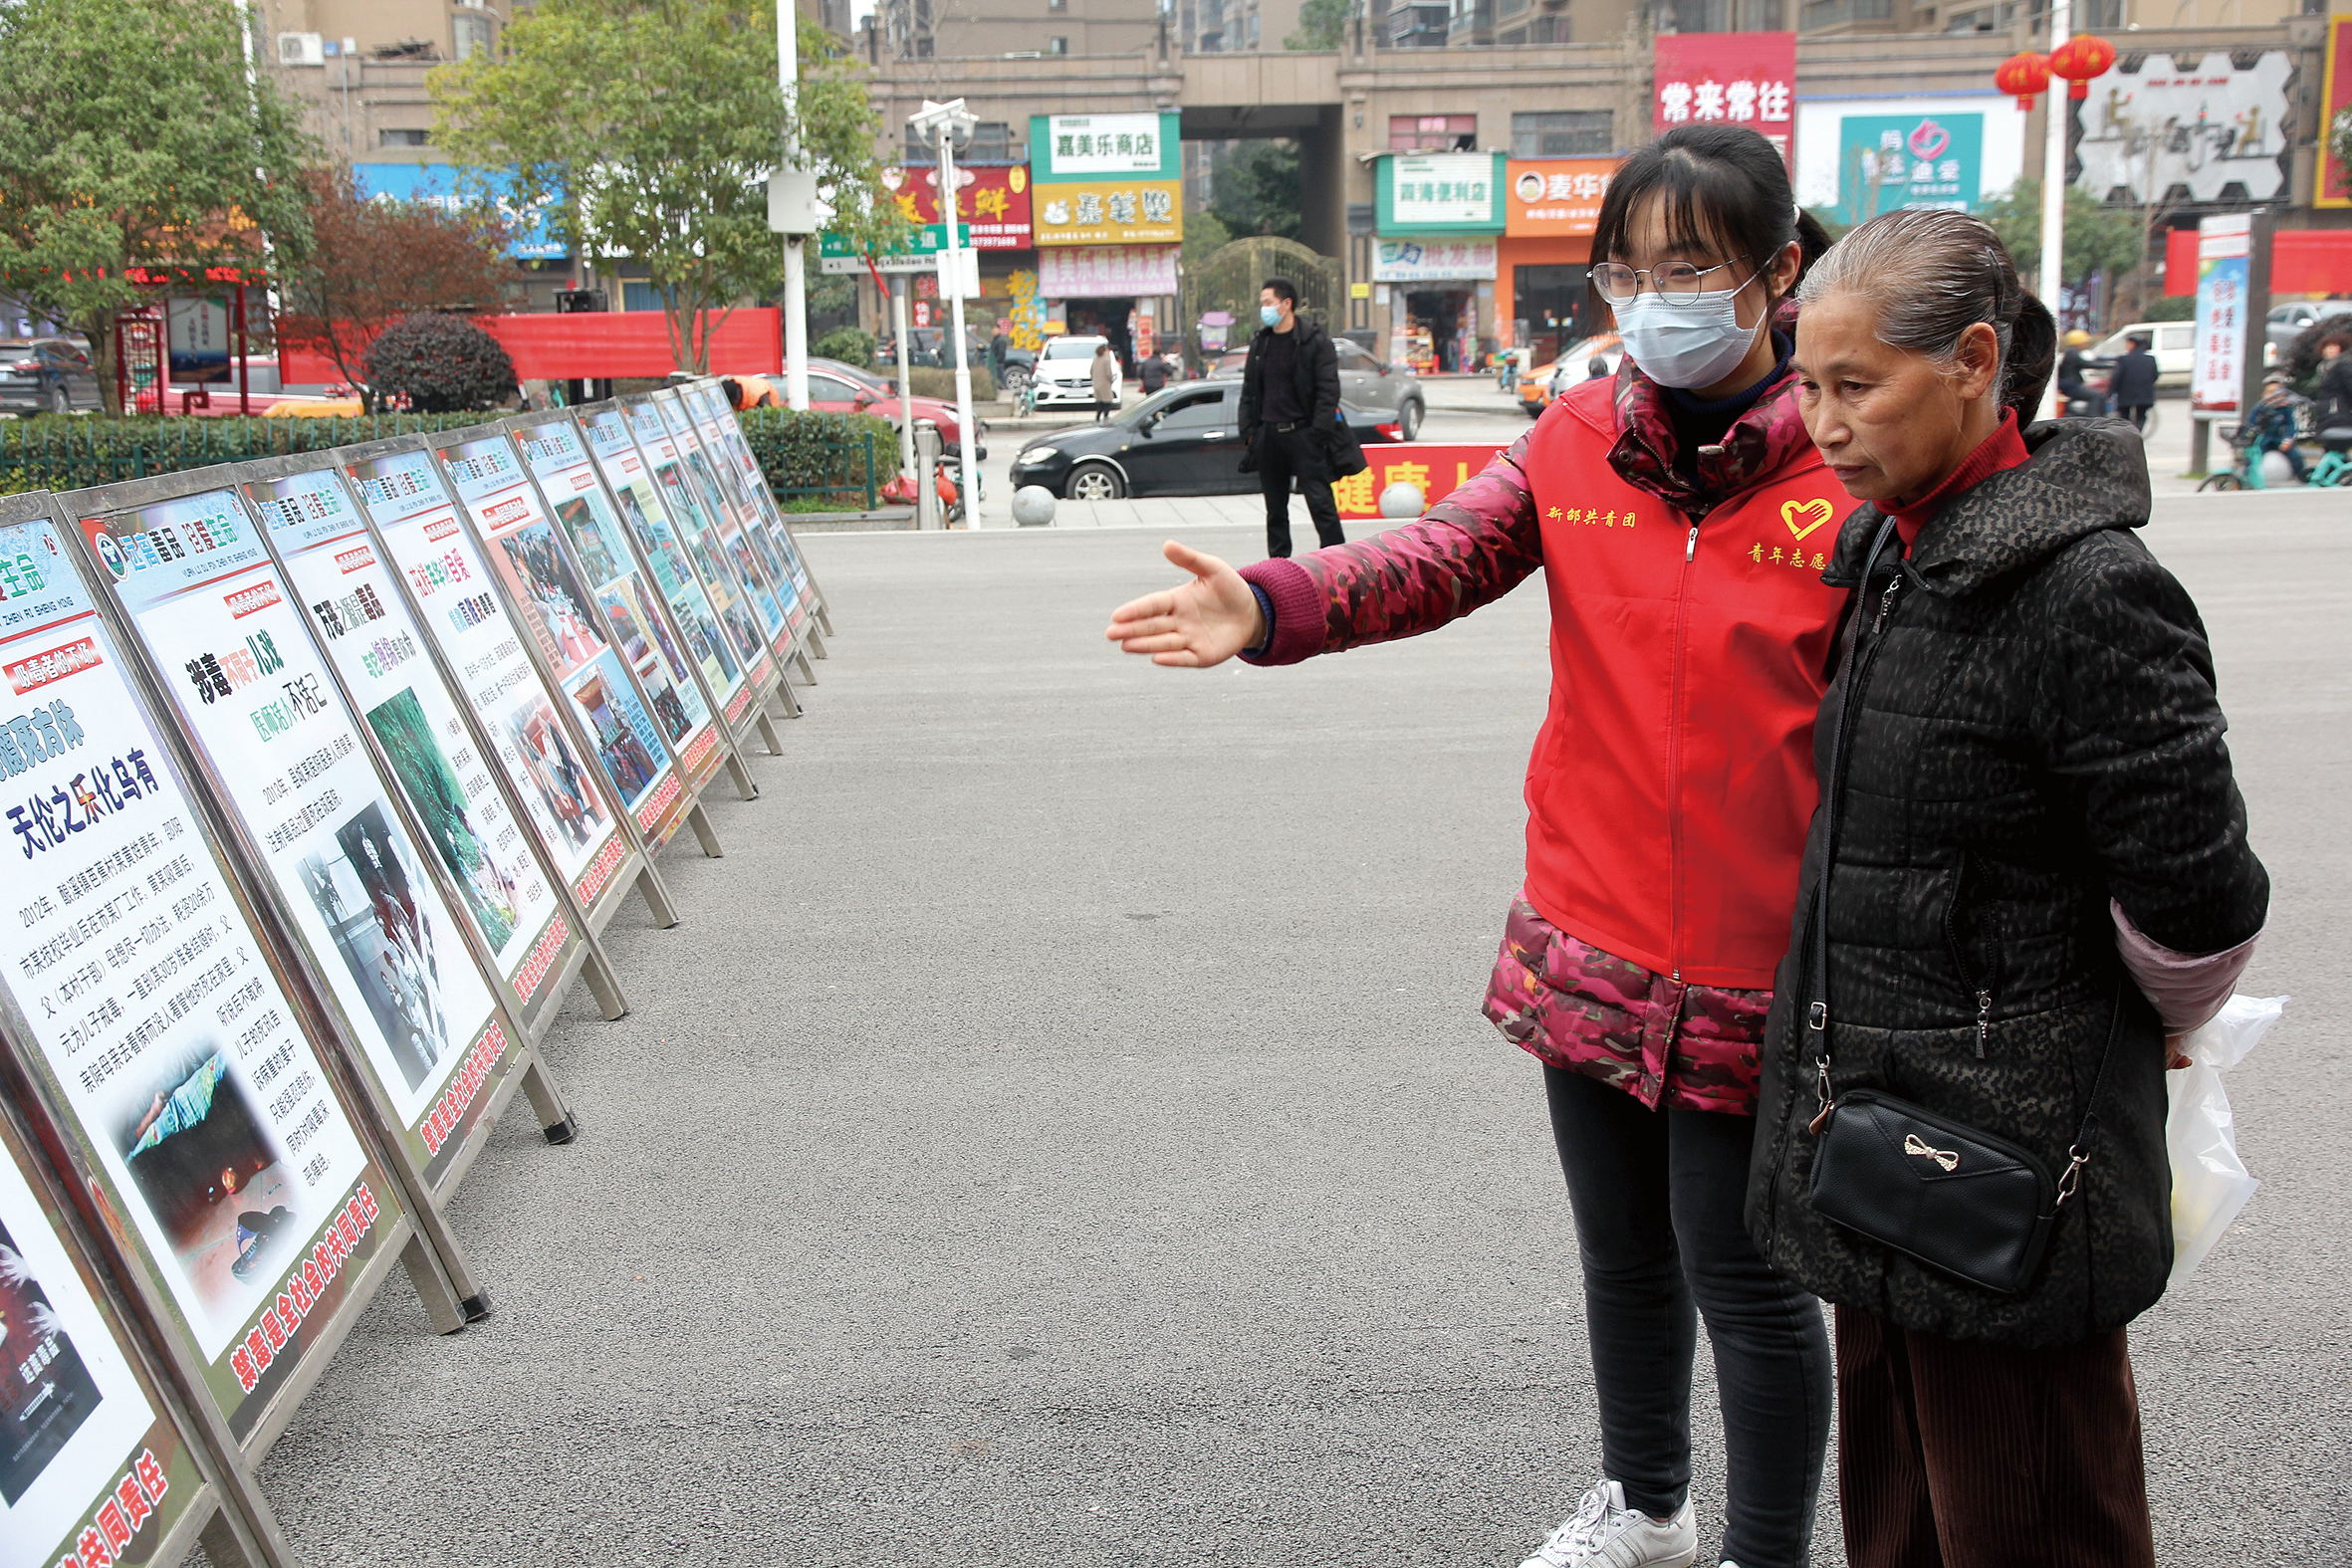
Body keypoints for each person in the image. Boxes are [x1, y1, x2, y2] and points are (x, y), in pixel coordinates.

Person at [1107, 124, 1852, 1568]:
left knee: (1748, 1281)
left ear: (1778, 272)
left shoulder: (1849, 459)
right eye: (1624, 272)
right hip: (1595, 921)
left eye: (1687, 267)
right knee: (1625, 1257)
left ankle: (1767, 1553)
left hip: (1772, 954)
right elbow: (1437, 553)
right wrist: (1269, 605)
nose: (1651, 300)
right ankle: (1644, 1505)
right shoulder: (1577, 438)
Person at [1754, 206, 2268, 1568]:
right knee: (1902, 1519)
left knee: (2031, 1515)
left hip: (2011, 1173)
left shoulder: (2087, 588)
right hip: (1875, 1142)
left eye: (1854, 385)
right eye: (1804, 385)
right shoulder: (1887, 550)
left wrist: (2150, 1009)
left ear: (1973, 360)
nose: (1821, 423)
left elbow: (2196, 891)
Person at [1236, 279, 1349, 560]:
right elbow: (1249, 390)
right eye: (1262, 303)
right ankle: (1278, 567)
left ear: (1286, 304)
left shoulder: (1314, 340)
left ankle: (1338, 563)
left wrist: (1317, 434)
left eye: (1267, 302)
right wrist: (1250, 432)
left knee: (1321, 505)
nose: (1264, 309)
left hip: (1304, 434)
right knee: (1275, 510)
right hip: (1268, 436)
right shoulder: (1261, 342)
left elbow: (1328, 390)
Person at [2243, 370, 2309, 483]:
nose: (2273, 396)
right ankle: (2247, 477)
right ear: (2264, 395)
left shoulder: (2285, 409)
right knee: (2253, 458)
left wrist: (2288, 439)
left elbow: (2291, 425)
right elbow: (2251, 423)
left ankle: (2302, 476)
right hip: (2262, 440)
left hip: (2279, 439)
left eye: (2277, 392)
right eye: (2270, 392)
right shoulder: (2260, 408)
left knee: (2295, 456)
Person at [2108, 331, 2159, 429]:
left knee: (2124, 416)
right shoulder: (2150, 359)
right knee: (2141, 416)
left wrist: (2111, 392)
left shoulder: (2124, 359)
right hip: (2145, 394)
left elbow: (2117, 377)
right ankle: (2137, 433)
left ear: (2133, 344)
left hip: (2126, 394)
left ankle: (2128, 434)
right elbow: (2155, 375)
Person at [2314, 336, 2352, 428]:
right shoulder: (2324, 367)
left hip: (2338, 409)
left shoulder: (2344, 366)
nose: (2329, 350)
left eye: (2334, 347)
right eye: (2327, 347)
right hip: (2328, 407)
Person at [2056, 327, 2095, 412]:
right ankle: (2093, 417)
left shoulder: (2071, 352)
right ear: (2078, 342)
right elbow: (2086, 364)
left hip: (2070, 384)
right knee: (2095, 396)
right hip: (2071, 386)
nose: (2087, 343)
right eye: (2085, 342)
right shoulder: (2072, 353)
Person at [1089, 340, 1119, 422]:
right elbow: (1108, 373)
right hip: (1105, 384)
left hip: (1096, 384)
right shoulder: (1106, 359)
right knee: (1108, 402)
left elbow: (1091, 371)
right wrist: (1111, 380)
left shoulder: (1095, 358)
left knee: (1099, 403)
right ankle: (1106, 417)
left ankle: (1098, 418)